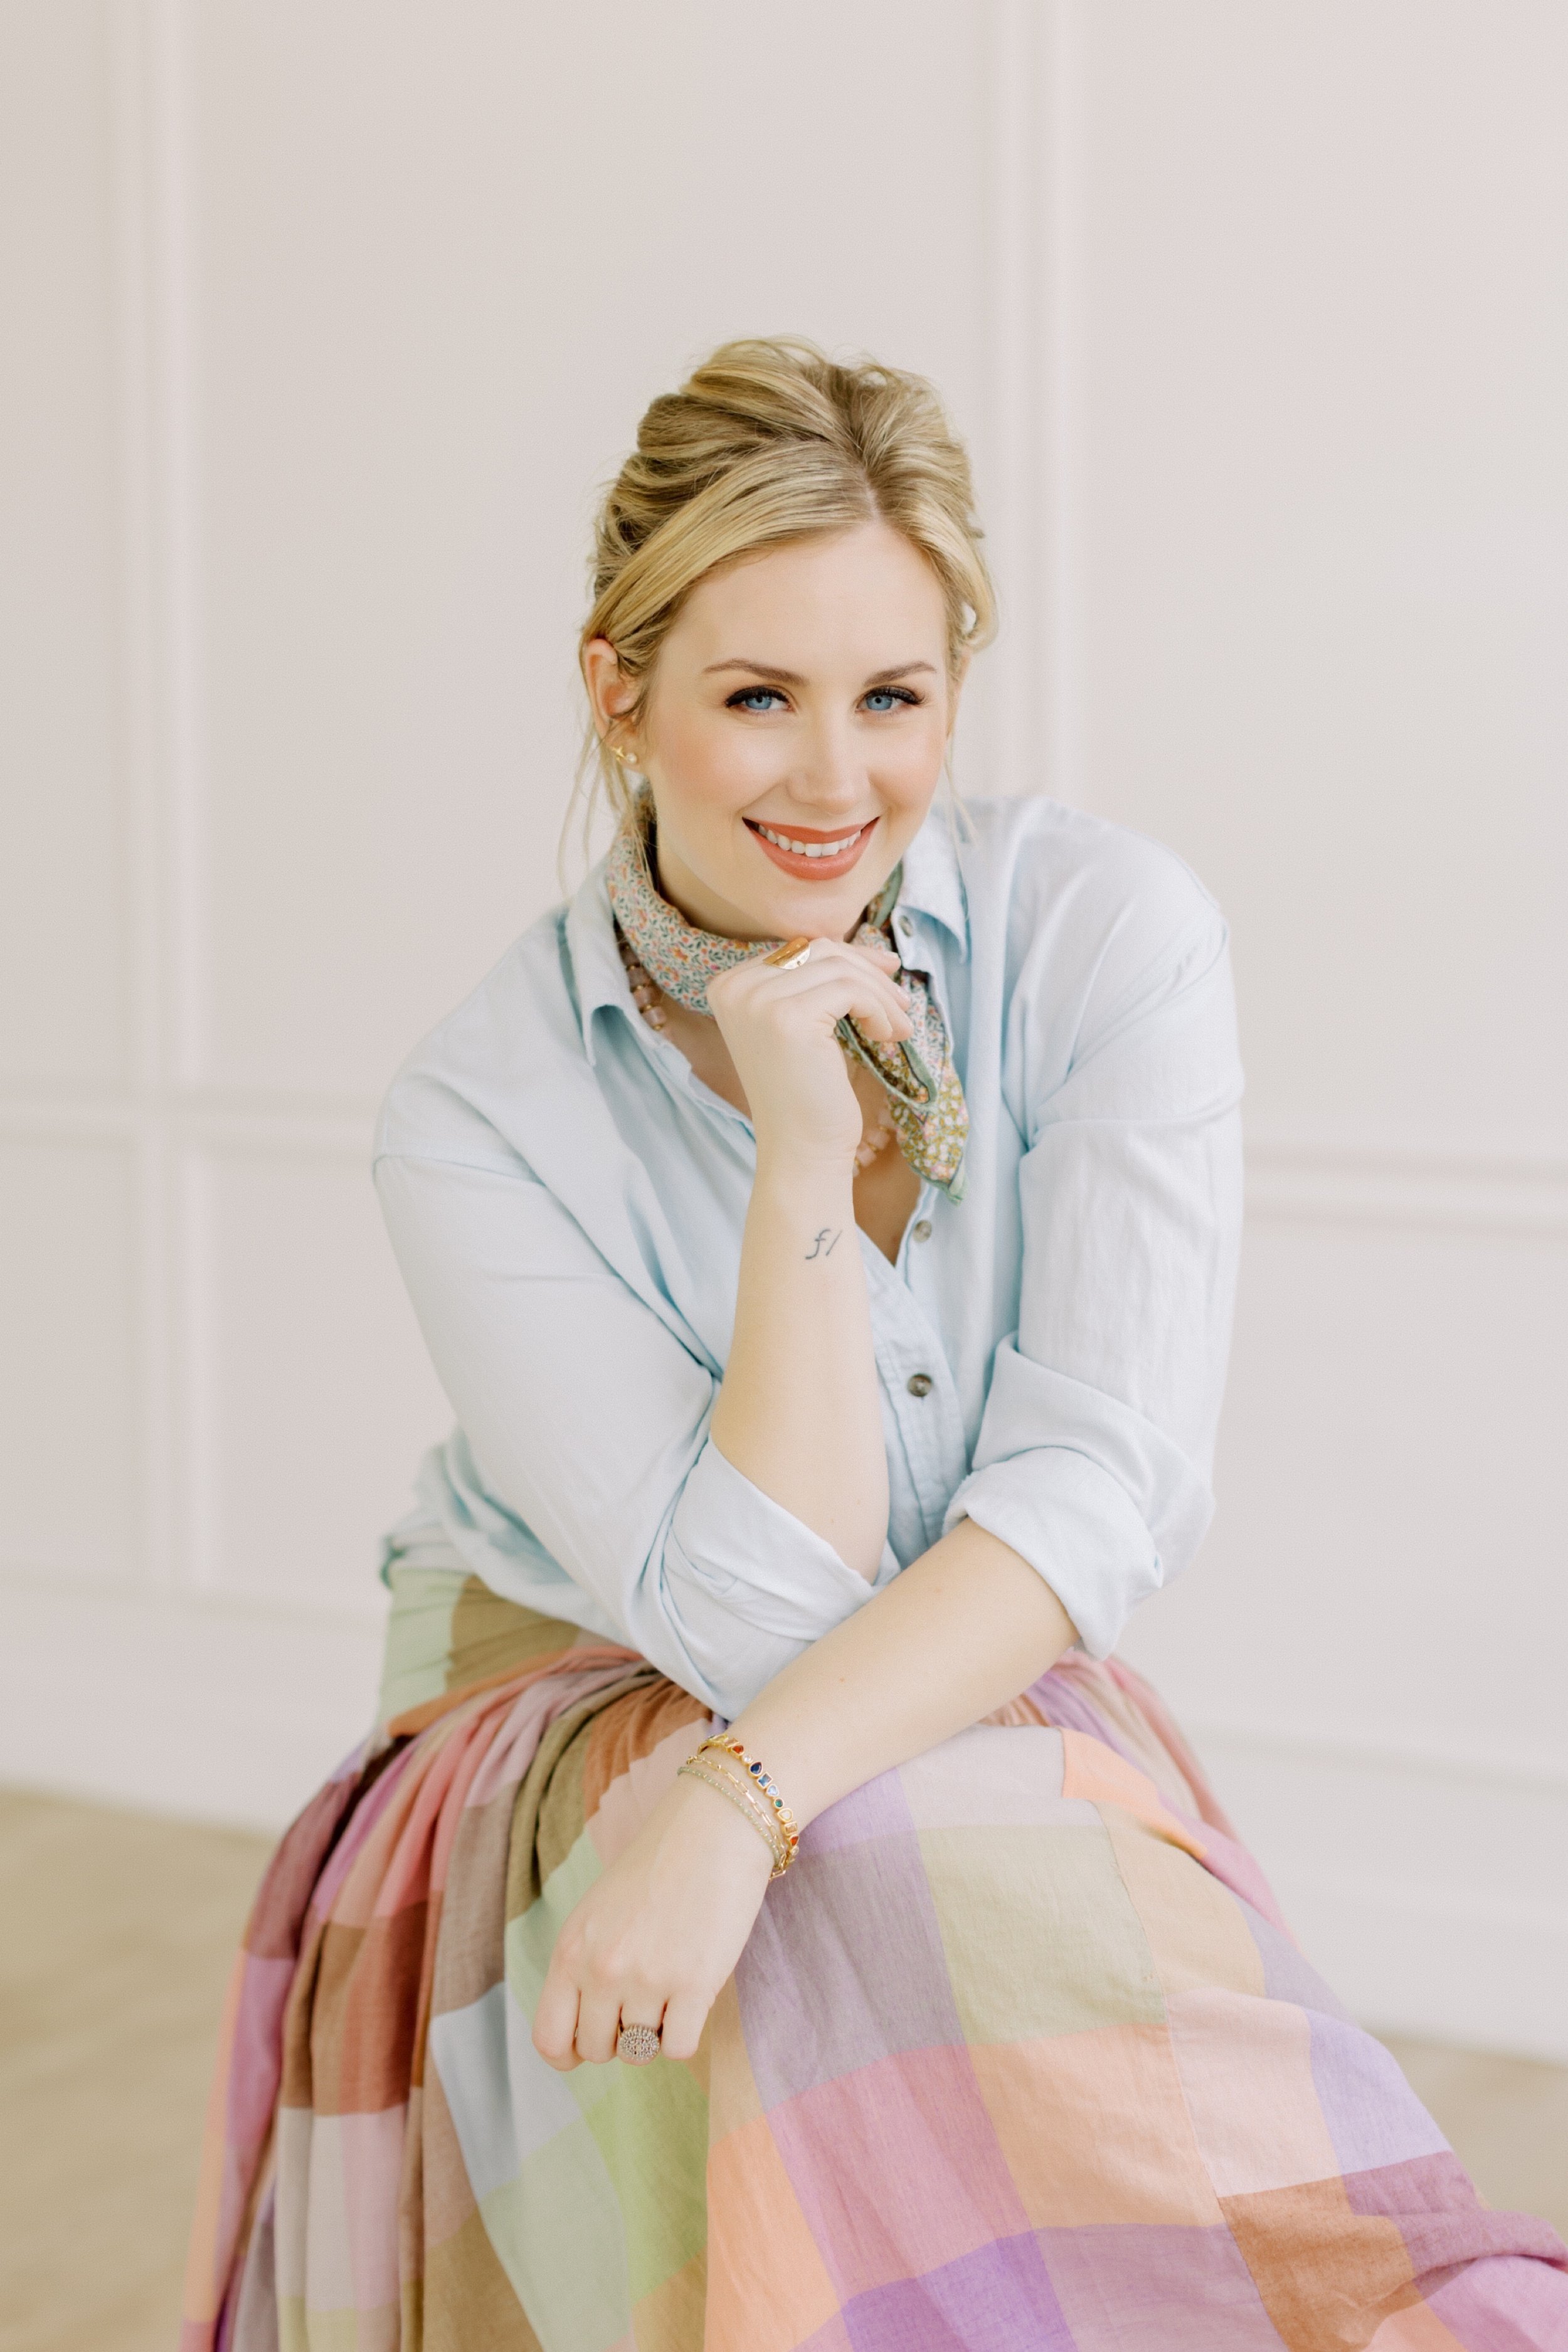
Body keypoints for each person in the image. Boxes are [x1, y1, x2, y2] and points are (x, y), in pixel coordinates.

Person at [183, 339, 1567, 2351]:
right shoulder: (478, 1113)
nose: (836, 782)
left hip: (874, 1703)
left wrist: (732, 1813)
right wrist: (802, 1163)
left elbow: (1101, 1481)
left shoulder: (1104, 936)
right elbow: (751, 1604)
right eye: (758, 698)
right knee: (916, 1851)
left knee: (914, 1849)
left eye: (891, 699)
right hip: (564, 1692)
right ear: (618, 691)